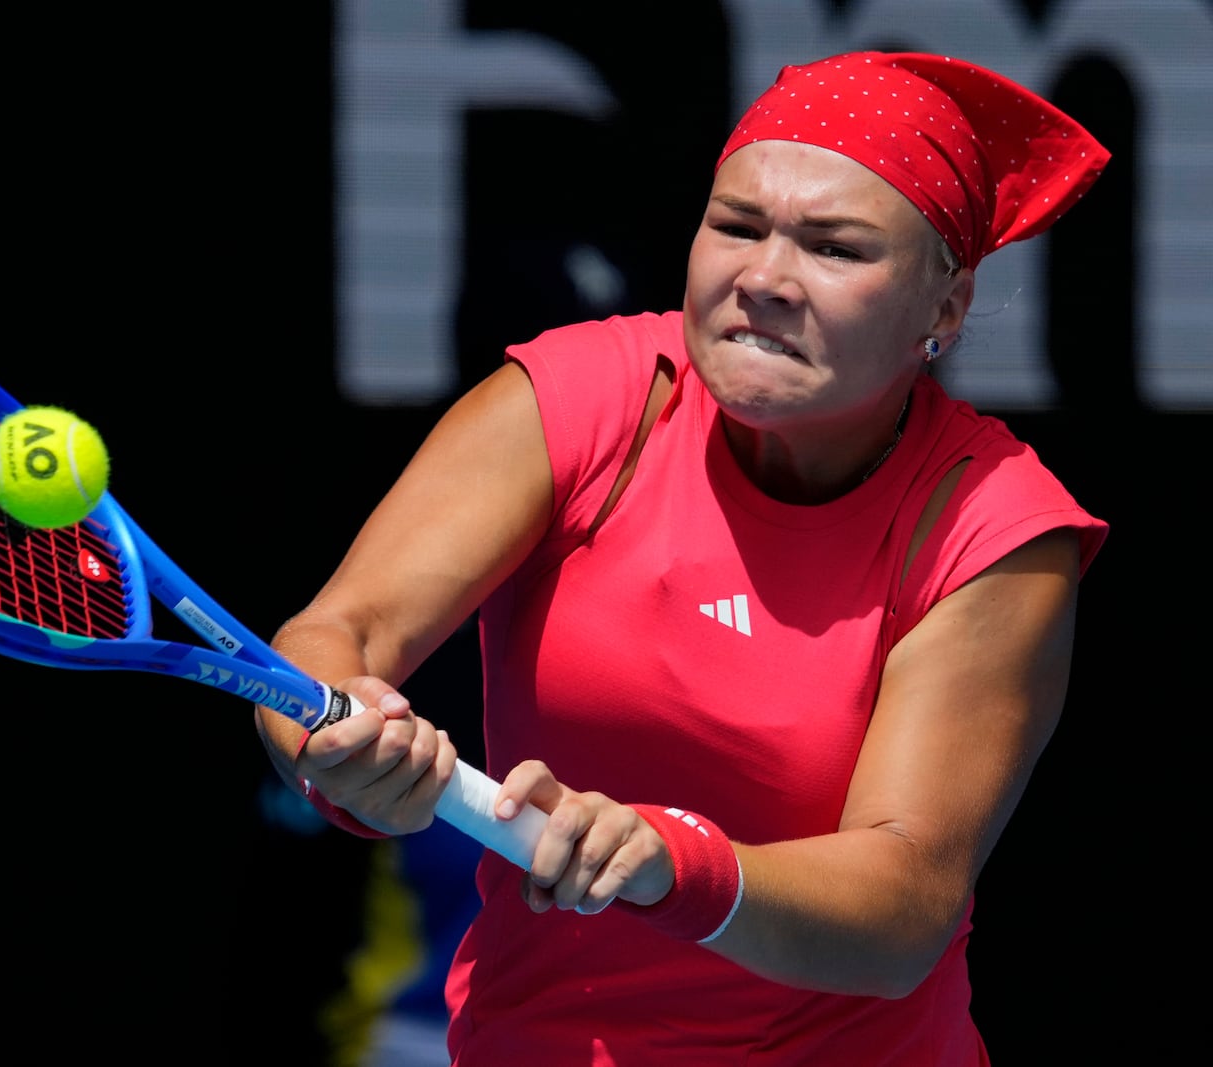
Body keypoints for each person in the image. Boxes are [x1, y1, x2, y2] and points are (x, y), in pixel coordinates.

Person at [255, 50, 1110, 1066]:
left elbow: (905, 902)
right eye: (736, 226)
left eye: (834, 249)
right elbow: (334, 635)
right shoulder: (577, 396)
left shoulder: (992, 521)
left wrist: (672, 862)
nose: (763, 278)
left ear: (944, 308)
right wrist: (338, 753)